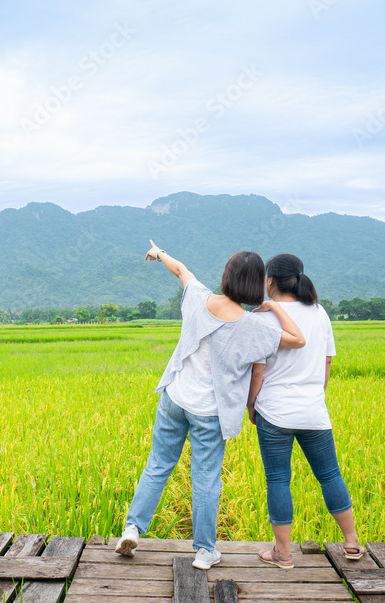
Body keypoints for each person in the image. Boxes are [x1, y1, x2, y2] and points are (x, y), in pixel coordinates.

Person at [116, 240, 306, 570]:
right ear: (256, 283)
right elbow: (298, 340)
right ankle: (205, 552)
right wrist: (275, 307)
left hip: (175, 398)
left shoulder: (198, 297)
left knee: (159, 464)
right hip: (210, 412)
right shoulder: (253, 327)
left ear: (226, 276)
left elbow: (181, 269)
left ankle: (132, 528)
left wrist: (159, 252)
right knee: (205, 480)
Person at [247, 253, 364, 569]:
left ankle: (283, 553)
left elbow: (257, 371)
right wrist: (315, 396)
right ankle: (352, 542)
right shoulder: (319, 312)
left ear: (270, 280)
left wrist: (251, 404)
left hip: (274, 412)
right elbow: (327, 362)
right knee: (329, 475)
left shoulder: (262, 317)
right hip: (314, 411)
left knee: (278, 480)